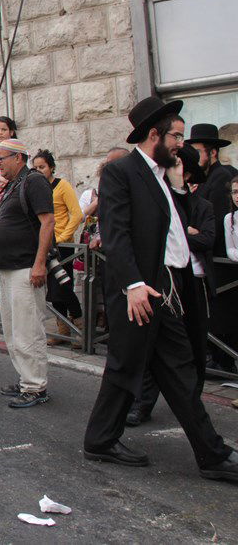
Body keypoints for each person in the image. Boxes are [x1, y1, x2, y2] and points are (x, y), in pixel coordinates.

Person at [81, 98, 238, 481]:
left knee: (171, 371)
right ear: (155, 135)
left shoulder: (162, 176)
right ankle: (211, 455)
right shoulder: (122, 173)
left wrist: (180, 187)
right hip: (142, 291)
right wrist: (134, 285)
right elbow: (116, 234)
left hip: (166, 291)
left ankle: (207, 453)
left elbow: (173, 229)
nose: (181, 145)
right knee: (131, 366)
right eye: (176, 136)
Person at [127, 144, 214, 426]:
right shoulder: (161, 199)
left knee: (192, 346)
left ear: (185, 174)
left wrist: (185, 235)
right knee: (156, 347)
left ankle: (191, 401)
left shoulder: (202, 205)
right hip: (163, 284)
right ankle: (143, 404)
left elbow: (207, 239)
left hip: (193, 283)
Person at [0, 138, 55, 408]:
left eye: (0, 159)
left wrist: (39, 264)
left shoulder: (33, 181)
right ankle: (26, 378)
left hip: (26, 267)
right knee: (13, 329)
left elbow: (47, 221)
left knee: (28, 329)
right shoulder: (13, 185)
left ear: (18, 158)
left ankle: (36, 387)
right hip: (8, 267)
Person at [188, 123, 238, 374]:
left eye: (198, 152)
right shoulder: (204, 179)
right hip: (208, 263)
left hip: (222, 266)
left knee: (224, 318)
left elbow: (215, 226)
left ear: (213, 153)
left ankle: (223, 360)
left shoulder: (222, 177)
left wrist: (196, 231)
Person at [31, 149, 83, 343]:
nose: (38, 170)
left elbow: (76, 214)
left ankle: (80, 328)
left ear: (51, 167)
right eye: (35, 168)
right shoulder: (36, 188)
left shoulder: (62, 186)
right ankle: (63, 330)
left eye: (42, 167)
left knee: (64, 286)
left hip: (61, 244)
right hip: (44, 243)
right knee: (53, 290)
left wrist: (63, 236)